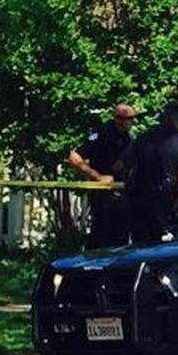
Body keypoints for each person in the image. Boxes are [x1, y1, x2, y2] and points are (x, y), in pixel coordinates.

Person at [117, 104, 178, 244]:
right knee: (168, 243)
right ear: (176, 120)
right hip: (168, 203)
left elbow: (120, 166)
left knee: (140, 242)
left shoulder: (141, 139)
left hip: (139, 199)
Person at [68, 103, 137, 248]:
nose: (132, 122)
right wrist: (98, 176)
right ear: (118, 119)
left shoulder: (127, 138)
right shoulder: (102, 134)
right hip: (104, 198)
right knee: (101, 239)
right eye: (129, 118)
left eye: (133, 118)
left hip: (122, 197)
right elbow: (75, 158)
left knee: (120, 241)